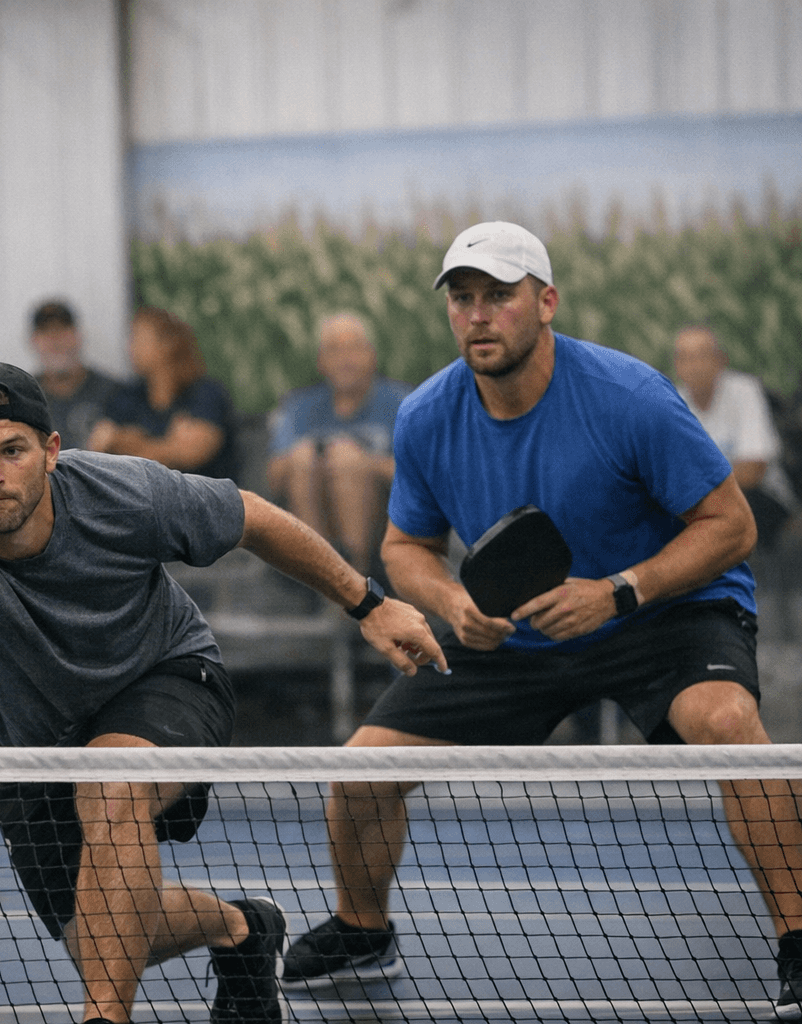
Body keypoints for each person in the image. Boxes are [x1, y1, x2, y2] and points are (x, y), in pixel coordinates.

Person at [0, 361, 447, 1024]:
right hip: (24, 739)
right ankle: (242, 929)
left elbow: (251, 517)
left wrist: (369, 605)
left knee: (111, 786)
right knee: (100, 940)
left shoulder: (122, 492)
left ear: (51, 451)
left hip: (162, 679)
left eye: (13, 450)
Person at [278, 221, 802, 1021]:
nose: (478, 315)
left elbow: (732, 526)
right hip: (515, 634)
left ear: (546, 303)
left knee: (729, 724)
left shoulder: (629, 397)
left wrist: (619, 591)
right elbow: (406, 546)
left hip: (663, 614)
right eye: (463, 298)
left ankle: (799, 937)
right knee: (358, 773)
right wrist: (452, 604)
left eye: (499, 296)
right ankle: (362, 929)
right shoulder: (426, 416)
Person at [265, 312, 411, 576]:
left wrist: (361, 462)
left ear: (372, 355)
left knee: (346, 461)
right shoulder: (298, 407)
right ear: (320, 361)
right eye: (334, 350)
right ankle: (321, 575)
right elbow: (274, 478)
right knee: (302, 458)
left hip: (383, 525)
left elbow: (422, 477)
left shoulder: (403, 403)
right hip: (311, 512)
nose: (345, 359)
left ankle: (354, 575)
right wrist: (313, 459)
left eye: (354, 348)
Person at [672, 323, 797, 549]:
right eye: (686, 358)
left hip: (761, 499)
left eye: (701, 356)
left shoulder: (744, 390)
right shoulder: (673, 404)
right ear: (677, 366)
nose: (694, 366)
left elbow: (753, 469)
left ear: (720, 360)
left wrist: (694, 487)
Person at [88, 306, 238, 480]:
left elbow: (192, 452)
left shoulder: (206, 393)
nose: (130, 347)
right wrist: (168, 445)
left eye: (138, 337)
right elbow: (98, 448)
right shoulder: (126, 396)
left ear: (167, 344)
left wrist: (126, 441)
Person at [28, 298, 121, 450]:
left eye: (62, 331)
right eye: (46, 333)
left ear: (78, 335)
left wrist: (119, 439)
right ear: (33, 341)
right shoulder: (22, 397)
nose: (55, 341)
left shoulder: (113, 392)